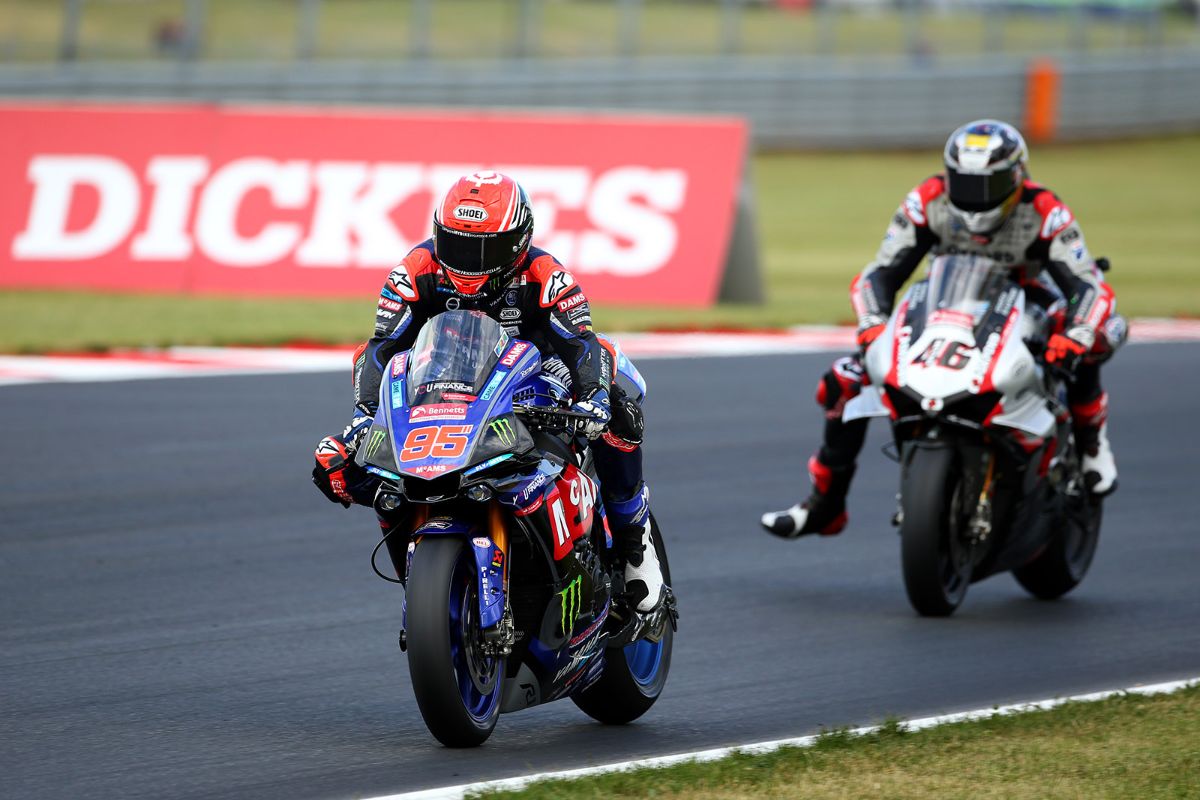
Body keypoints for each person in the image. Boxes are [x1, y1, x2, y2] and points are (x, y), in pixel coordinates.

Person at [311, 170, 666, 614]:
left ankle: (635, 540)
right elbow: (381, 349)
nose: (470, 261)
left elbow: (582, 344)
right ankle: (434, 579)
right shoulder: (414, 272)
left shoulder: (547, 275)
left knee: (615, 392)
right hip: (449, 379)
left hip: (538, 375)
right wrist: (366, 415)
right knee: (354, 464)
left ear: (519, 241)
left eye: (485, 249)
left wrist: (591, 397)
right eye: (458, 245)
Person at [761, 119, 1125, 539]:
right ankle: (825, 504)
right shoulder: (927, 199)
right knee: (845, 380)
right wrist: (872, 326)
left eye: (987, 185)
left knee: (1094, 335)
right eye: (965, 183)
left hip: (1027, 301)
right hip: (946, 301)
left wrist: (1075, 335)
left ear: (1017, 177)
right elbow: (879, 274)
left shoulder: (1045, 210)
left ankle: (1093, 445)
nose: (975, 197)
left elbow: (1087, 286)